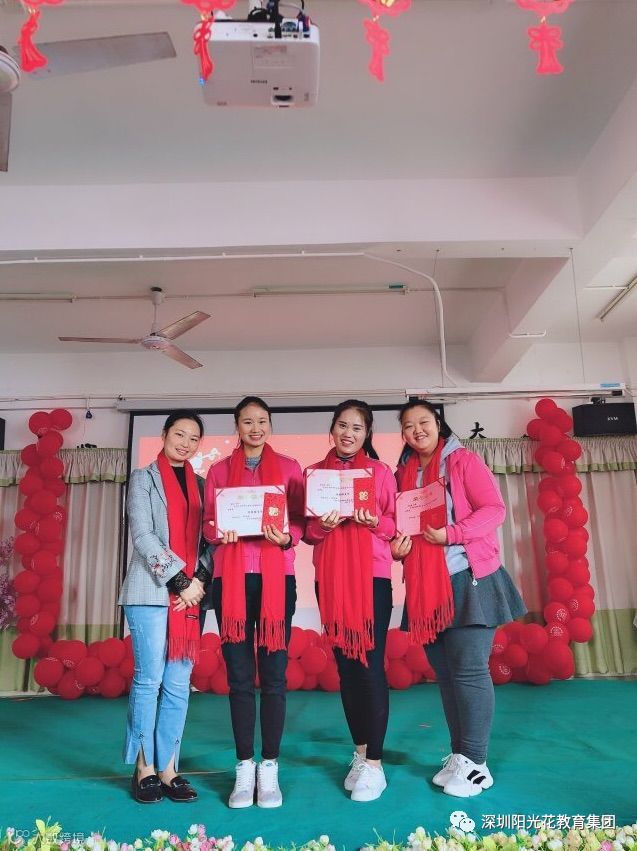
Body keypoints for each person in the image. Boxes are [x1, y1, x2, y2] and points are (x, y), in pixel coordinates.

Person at [391, 400, 526, 798]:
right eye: (408, 425)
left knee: (468, 671)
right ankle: (460, 754)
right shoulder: (404, 473)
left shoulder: (463, 461)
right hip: (424, 585)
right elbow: (402, 526)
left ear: (439, 424)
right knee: (447, 675)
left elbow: (494, 510)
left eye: (424, 422)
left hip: (468, 578)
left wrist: (451, 533)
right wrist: (398, 548)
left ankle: (477, 763)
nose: (417, 430)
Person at [203, 396, 304, 809]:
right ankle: (244, 767)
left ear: (270, 425)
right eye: (247, 422)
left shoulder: (291, 469)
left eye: (262, 421)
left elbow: (300, 521)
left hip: (277, 579)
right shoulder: (218, 471)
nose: (255, 428)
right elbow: (208, 523)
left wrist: (288, 537)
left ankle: (270, 767)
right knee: (240, 677)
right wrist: (218, 532)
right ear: (237, 426)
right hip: (231, 581)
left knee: (275, 677)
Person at [303, 399, 397, 803]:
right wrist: (322, 528)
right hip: (331, 580)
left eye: (357, 428)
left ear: (367, 433)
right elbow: (307, 532)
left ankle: (375, 764)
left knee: (370, 666)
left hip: (371, 578)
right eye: (343, 425)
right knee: (346, 666)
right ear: (332, 429)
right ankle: (359, 753)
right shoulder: (314, 474)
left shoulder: (380, 473)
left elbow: (395, 523)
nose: (348, 433)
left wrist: (375, 522)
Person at [119, 410, 211, 804]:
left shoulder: (202, 485)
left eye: (193, 438)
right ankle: (144, 768)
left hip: (191, 596)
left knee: (177, 685)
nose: (186, 443)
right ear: (164, 434)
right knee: (149, 680)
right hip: (151, 592)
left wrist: (198, 579)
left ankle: (169, 768)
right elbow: (143, 534)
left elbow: (210, 539)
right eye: (180, 434)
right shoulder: (143, 478)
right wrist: (180, 581)